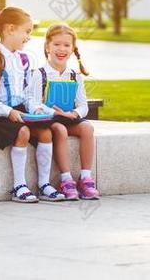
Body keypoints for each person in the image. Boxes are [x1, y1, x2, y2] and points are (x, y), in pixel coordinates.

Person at [0, 7, 65, 203]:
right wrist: (7, 111)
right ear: (10, 29)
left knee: (46, 132)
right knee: (23, 132)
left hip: (18, 110)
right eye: (27, 31)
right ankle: (19, 186)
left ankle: (43, 184)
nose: (29, 37)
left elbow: (26, 94)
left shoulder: (21, 59)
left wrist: (37, 109)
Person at [27, 23, 99, 200]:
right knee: (60, 129)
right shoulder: (40, 74)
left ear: (73, 48)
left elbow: (83, 104)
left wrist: (74, 114)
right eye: (56, 44)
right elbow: (31, 101)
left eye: (67, 45)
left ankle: (85, 178)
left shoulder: (75, 75)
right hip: (49, 119)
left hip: (68, 116)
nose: (61, 49)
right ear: (47, 47)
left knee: (87, 128)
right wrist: (49, 110)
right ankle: (66, 179)